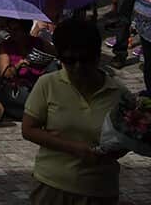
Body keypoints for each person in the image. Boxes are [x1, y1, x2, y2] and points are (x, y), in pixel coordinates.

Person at [22, 17, 130, 204]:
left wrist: (113, 152)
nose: (78, 67)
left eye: (85, 59)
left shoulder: (120, 94)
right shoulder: (48, 84)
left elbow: (128, 139)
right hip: (52, 186)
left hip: (99, 190)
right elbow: (28, 129)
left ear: (98, 56)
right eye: (70, 60)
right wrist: (74, 148)